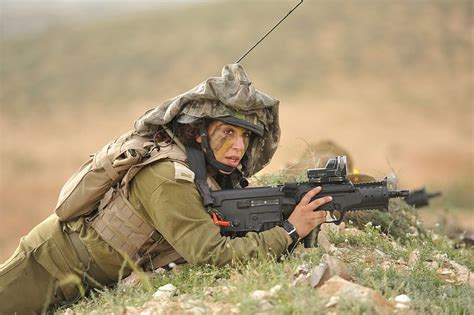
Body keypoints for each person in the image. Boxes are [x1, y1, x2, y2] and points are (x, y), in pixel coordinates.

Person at [0, 64, 330, 314]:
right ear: (199, 133)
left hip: (90, 280)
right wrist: (289, 230)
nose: (238, 146)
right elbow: (211, 254)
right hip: (44, 266)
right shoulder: (168, 178)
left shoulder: (206, 173)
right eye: (227, 132)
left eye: (245, 136)